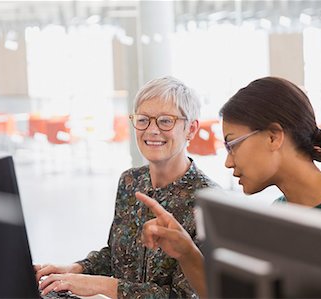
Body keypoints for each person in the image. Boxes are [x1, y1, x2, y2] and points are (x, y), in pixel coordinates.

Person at [136, 76, 321, 298]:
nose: (228, 162)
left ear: (273, 137)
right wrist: (186, 252)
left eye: (232, 145)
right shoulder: (279, 215)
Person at [35, 76, 218, 298]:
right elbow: (116, 255)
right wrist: (76, 269)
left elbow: (184, 295)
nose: (151, 130)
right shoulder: (130, 181)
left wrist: (101, 286)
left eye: (165, 121)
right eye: (143, 120)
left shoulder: (209, 201)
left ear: (191, 129)